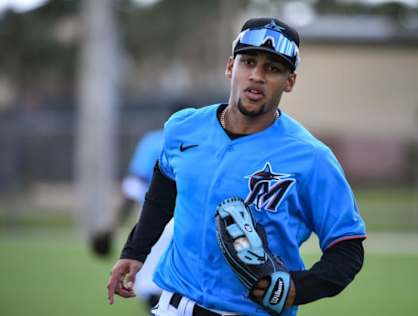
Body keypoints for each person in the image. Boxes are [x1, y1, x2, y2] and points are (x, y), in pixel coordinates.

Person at [107, 17, 366, 316]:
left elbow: (348, 247)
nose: (257, 75)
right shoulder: (183, 128)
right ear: (231, 66)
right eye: (249, 62)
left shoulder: (312, 159)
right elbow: (164, 188)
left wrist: (299, 287)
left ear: (290, 81)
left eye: (273, 68)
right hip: (172, 306)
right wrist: (135, 251)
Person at [92, 129, 174, 309]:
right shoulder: (209, 140)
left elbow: (133, 190)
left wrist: (109, 227)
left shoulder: (154, 142)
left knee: (150, 290)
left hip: (159, 225)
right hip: (196, 225)